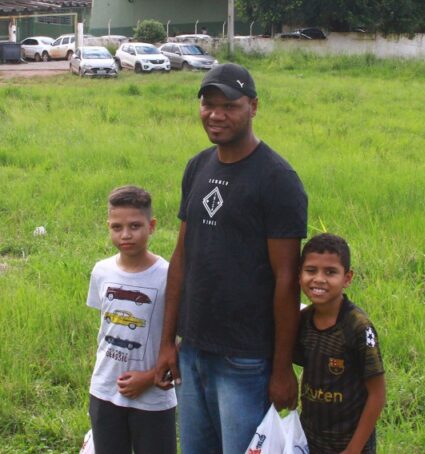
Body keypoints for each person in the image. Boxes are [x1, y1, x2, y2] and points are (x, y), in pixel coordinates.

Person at [155, 63, 308, 454]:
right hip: (193, 351)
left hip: (246, 360)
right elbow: (182, 257)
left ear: (253, 107)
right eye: (208, 104)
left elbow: (287, 280)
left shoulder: (277, 180)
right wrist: (167, 342)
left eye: (229, 105)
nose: (216, 114)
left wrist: (281, 367)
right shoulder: (198, 166)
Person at [87, 186, 177, 454]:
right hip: (104, 389)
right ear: (108, 227)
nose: (126, 235)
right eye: (117, 227)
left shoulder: (168, 276)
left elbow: (183, 341)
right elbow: (105, 327)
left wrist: (150, 378)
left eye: (135, 226)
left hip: (153, 397)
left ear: (152, 226)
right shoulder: (102, 271)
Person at [295, 233, 386, 454]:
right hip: (310, 442)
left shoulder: (358, 328)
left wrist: (353, 449)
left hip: (350, 445)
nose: (318, 279)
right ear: (299, 275)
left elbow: (377, 394)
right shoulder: (303, 321)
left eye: (330, 272)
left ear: (347, 278)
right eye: (310, 270)